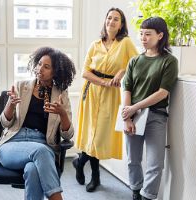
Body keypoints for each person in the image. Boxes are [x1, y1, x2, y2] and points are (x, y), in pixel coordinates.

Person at [0, 47, 76, 200]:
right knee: (42, 151)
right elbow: (5, 123)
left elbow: (68, 134)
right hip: (12, 143)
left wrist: (62, 114)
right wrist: (11, 105)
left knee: (33, 170)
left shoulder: (60, 94)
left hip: (42, 144)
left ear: (55, 72)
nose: (40, 68)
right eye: (39, 64)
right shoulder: (21, 86)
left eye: (46, 67)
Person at [74, 7, 138, 192]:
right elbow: (85, 72)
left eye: (116, 19)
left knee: (100, 137)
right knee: (91, 134)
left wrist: (121, 71)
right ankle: (95, 177)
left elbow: (136, 62)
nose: (111, 21)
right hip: (92, 92)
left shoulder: (125, 43)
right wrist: (103, 81)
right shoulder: (95, 45)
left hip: (111, 95)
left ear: (121, 24)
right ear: (105, 21)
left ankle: (80, 161)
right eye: (109, 18)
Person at [121, 17, 178, 200]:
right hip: (134, 116)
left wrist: (133, 108)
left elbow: (163, 92)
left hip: (156, 116)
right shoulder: (135, 61)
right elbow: (126, 88)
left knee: (155, 164)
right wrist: (127, 116)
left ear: (160, 35)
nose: (143, 38)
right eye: (141, 34)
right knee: (133, 160)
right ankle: (136, 192)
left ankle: (147, 197)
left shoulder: (169, 61)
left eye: (148, 34)